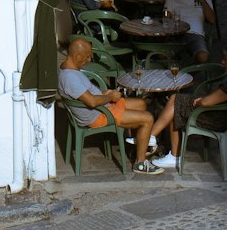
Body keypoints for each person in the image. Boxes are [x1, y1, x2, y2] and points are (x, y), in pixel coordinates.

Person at [58, 37, 162, 175]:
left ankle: (136, 147)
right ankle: (141, 163)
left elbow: (85, 94)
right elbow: (92, 102)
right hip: (98, 114)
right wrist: (110, 97)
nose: (89, 60)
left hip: (101, 106)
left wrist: (103, 93)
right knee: (147, 118)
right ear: (77, 56)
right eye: (87, 57)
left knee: (141, 103)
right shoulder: (69, 78)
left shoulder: (70, 68)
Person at [149, 44, 227, 167]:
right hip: (222, 114)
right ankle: (156, 140)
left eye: (225, 59)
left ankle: (157, 142)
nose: (222, 61)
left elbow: (206, 102)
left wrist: (198, 101)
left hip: (218, 120)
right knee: (175, 101)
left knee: (175, 104)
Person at [164, 0, 214, 64]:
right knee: (161, 55)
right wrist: (167, 15)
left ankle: (187, 76)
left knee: (203, 57)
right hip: (177, 34)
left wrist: (202, 1)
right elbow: (166, 16)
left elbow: (212, 20)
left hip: (195, 35)